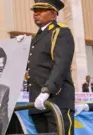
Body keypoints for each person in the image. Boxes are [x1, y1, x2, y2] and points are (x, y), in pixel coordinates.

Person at [27, 0, 75, 134]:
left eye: (41, 10)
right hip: (37, 101)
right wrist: (20, 48)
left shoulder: (60, 32)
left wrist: (47, 90)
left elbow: (61, 65)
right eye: (35, 11)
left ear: (54, 14)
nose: (36, 14)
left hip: (56, 98)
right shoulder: (36, 38)